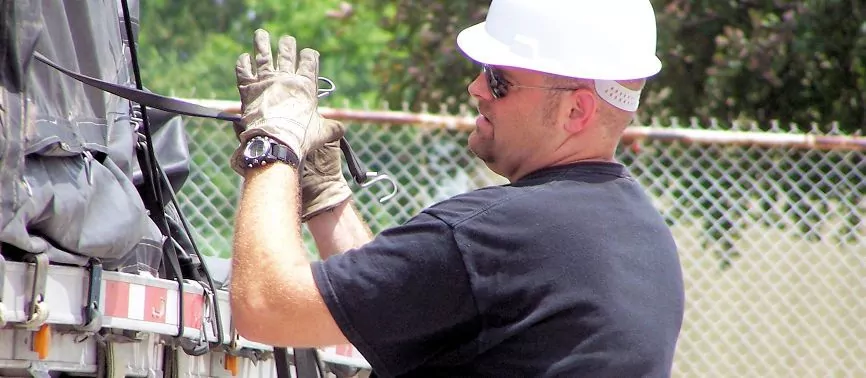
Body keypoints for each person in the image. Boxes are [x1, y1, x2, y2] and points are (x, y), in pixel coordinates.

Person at [227, 0, 685, 376]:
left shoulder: (495, 234)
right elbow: (395, 308)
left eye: (499, 80)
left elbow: (264, 306)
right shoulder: (644, 234)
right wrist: (327, 196)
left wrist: (274, 142)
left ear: (577, 111)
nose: (476, 88)